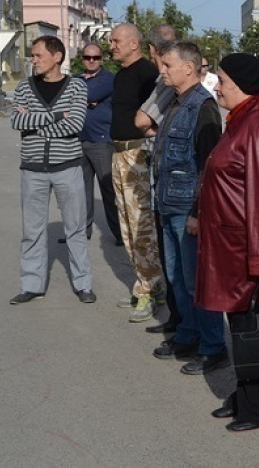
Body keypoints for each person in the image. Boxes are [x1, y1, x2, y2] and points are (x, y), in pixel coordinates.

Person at [197, 53, 259, 432]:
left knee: (256, 328)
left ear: (244, 86)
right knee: (242, 327)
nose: (217, 87)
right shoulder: (241, 120)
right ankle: (245, 395)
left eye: (222, 80)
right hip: (233, 248)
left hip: (250, 252)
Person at [149, 41, 228, 376]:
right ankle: (188, 335)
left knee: (197, 282)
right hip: (167, 203)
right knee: (176, 277)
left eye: (168, 65)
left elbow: (207, 166)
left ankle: (213, 346)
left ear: (189, 67)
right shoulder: (178, 102)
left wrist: (198, 211)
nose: (162, 70)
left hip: (187, 210)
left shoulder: (203, 107)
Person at [9, 35, 95, 305]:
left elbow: (75, 125)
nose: (33, 60)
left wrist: (34, 121)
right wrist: (57, 115)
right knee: (32, 230)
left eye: (38, 55)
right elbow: (16, 120)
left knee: (75, 228)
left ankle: (83, 284)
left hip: (68, 168)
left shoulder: (76, 87)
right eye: (32, 56)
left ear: (57, 57)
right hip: (32, 169)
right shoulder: (24, 86)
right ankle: (32, 284)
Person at [109, 23, 163, 323]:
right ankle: (147, 284)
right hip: (118, 154)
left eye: (116, 40)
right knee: (127, 227)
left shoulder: (147, 74)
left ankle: (149, 290)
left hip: (137, 154)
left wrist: (149, 140)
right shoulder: (122, 75)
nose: (111, 45)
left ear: (134, 44)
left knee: (142, 226)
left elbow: (159, 114)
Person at [133, 25, 181, 333]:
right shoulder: (176, 87)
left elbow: (140, 120)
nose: (162, 70)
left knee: (180, 257)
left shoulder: (178, 90)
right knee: (172, 253)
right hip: (166, 175)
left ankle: (189, 327)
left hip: (174, 180)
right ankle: (180, 322)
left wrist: (160, 134)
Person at [61, 43, 122, 247]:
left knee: (108, 190)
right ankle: (80, 232)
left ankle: (120, 234)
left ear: (101, 59)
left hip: (101, 141)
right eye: (87, 57)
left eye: (95, 57)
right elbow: (62, 99)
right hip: (79, 140)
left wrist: (80, 100)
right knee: (80, 191)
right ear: (82, 58)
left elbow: (90, 96)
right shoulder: (76, 79)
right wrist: (82, 100)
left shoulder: (109, 79)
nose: (91, 61)